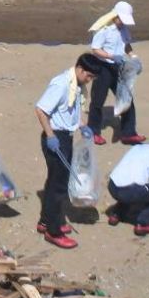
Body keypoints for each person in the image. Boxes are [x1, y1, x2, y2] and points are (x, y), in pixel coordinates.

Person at [34, 53, 105, 249]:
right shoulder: (62, 84)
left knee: (54, 182)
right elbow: (41, 110)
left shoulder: (77, 86)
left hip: (66, 136)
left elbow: (71, 110)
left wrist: (82, 125)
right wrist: (50, 136)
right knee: (59, 187)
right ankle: (53, 231)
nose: (89, 81)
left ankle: (45, 221)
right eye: (89, 76)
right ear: (80, 69)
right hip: (56, 138)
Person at [87, 2, 145, 145]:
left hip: (119, 68)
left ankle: (128, 133)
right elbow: (95, 49)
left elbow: (126, 45)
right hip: (103, 67)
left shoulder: (124, 30)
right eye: (122, 19)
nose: (123, 22)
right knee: (98, 100)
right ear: (116, 16)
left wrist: (134, 57)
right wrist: (111, 56)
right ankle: (93, 131)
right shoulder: (104, 29)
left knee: (126, 100)